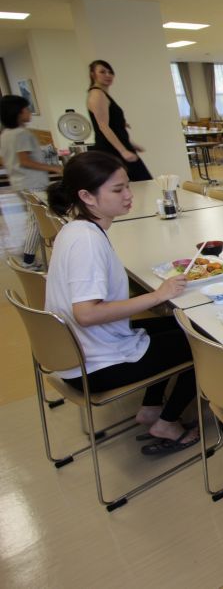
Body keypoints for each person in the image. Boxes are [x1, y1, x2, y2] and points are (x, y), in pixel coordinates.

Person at [44, 152, 199, 454]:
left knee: (181, 323)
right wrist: (157, 295)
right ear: (86, 196)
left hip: (80, 351)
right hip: (95, 365)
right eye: (118, 190)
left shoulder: (75, 229)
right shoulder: (87, 241)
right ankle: (168, 422)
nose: (129, 196)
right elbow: (86, 314)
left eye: (127, 186)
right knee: (203, 341)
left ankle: (152, 408)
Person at [1, 94, 63, 269]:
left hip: (19, 182)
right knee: (37, 220)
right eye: (27, 109)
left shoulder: (5, 134)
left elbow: (9, 160)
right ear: (19, 113)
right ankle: (28, 260)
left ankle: (30, 256)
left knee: (34, 219)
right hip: (32, 183)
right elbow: (25, 161)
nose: (29, 112)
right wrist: (55, 168)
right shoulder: (22, 134)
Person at [86, 60, 151, 181]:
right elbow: (103, 127)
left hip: (118, 147)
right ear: (93, 75)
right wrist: (123, 151)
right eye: (102, 72)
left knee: (141, 183)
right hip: (111, 150)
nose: (108, 75)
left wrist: (130, 143)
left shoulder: (103, 94)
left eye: (110, 72)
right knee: (141, 182)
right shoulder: (97, 94)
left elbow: (113, 125)